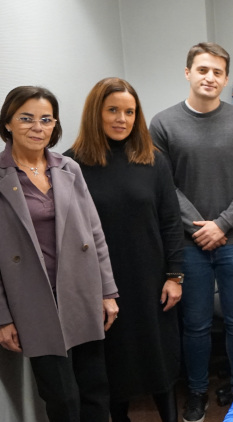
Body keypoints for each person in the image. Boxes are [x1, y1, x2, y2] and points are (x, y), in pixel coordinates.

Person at [149, 42, 233, 422]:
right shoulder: (163, 123)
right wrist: (202, 227)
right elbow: (163, 185)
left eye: (217, 72)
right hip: (189, 245)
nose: (209, 77)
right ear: (188, 73)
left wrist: (222, 224)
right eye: (202, 70)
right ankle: (196, 392)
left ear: (226, 78)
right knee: (195, 324)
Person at [66, 78, 185, 422]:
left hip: (151, 281)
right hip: (102, 284)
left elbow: (170, 222)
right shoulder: (71, 165)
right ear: (95, 114)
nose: (122, 119)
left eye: (130, 112)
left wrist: (175, 276)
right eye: (113, 110)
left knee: (159, 359)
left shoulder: (153, 160)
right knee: (112, 364)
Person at [0, 86, 118, 422]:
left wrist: (108, 292)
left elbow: (95, 234)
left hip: (79, 290)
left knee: (95, 390)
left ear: (55, 125)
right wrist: (3, 317)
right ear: (8, 123)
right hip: (33, 299)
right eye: (27, 118)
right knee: (62, 398)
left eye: (46, 119)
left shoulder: (69, 168)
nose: (37, 127)